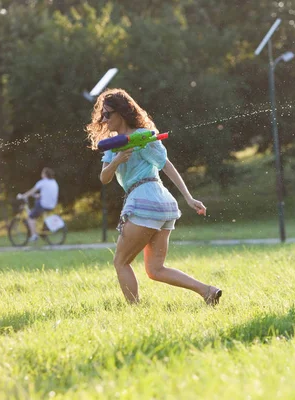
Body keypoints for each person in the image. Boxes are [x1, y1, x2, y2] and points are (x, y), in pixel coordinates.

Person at [87, 88, 222, 305]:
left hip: (142, 202)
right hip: (165, 205)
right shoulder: (113, 144)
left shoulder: (143, 137)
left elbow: (165, 165)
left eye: (108, 114)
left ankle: (136, 312)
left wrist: (189, 196)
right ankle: (207, 291)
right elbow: (105, 177)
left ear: (121, 113)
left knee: (120, 262)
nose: (104, 119)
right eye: (102, 114)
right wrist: (116, 161)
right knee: (155, 270)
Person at [18, 167, 59, 241]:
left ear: (45, 174)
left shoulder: (42, 182)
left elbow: (32, 191)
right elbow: (48, 193)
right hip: (52, 205)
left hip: (44, 204)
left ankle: (34, 235)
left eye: (42, 173)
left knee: (30, 217)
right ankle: (42, 231)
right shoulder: (54, 182)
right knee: (37, 207)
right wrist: (38, 195)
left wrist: (23, 196)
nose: (41, 174)